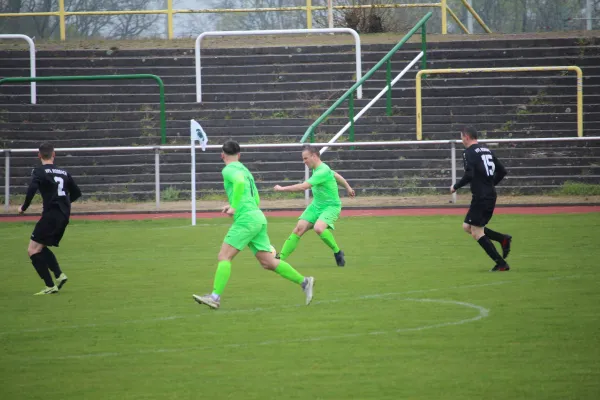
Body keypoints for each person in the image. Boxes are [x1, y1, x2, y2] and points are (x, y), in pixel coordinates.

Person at [193, 140, 315, 310]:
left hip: (247, 220)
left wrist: (235, 207)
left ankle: (214, 297)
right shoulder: (245, 170)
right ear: (239, 155)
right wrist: (240, 206)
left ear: (222, 155)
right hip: (257, 216)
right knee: (268, 262)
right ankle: (304, 282)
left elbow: (239, 184)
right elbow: (255, 197)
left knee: (224, 257)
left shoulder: (228, 169)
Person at [274, 145, 355, 267]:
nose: (304, 161)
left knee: (319, 228)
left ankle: (338, 252)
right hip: (316, 205)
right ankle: (279, 259)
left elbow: (303, 186)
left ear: (314, 156)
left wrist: (281, 189)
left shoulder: (322, 171)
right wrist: (348, 187)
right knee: (299, 228)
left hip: (331, 206)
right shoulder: (319, 169)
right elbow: (335, 175)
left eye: (305, 158)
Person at [19, 142, 82, 295]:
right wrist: (64, 204)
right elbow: (76, 193)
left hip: (51, 215)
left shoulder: (39, 171)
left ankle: (50, 285)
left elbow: (32, 188)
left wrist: (23, 207)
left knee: (32, 250)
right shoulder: (64, 172)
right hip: (63, 216)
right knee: (41, 247)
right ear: (54, 154)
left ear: (39, 155)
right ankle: (59, 275)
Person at [451, 126, 512, 271]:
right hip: (489, 195)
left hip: (481, 197)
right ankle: (502, 238)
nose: (461, 140)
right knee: (467, 227)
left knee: (477, 232)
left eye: (461, 137)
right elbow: (502, 171)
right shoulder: (487, 151)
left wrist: (455, 186)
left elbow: (469, 174)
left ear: (466, 137)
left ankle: (501, 263)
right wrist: (490, 185)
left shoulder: (468, 153)